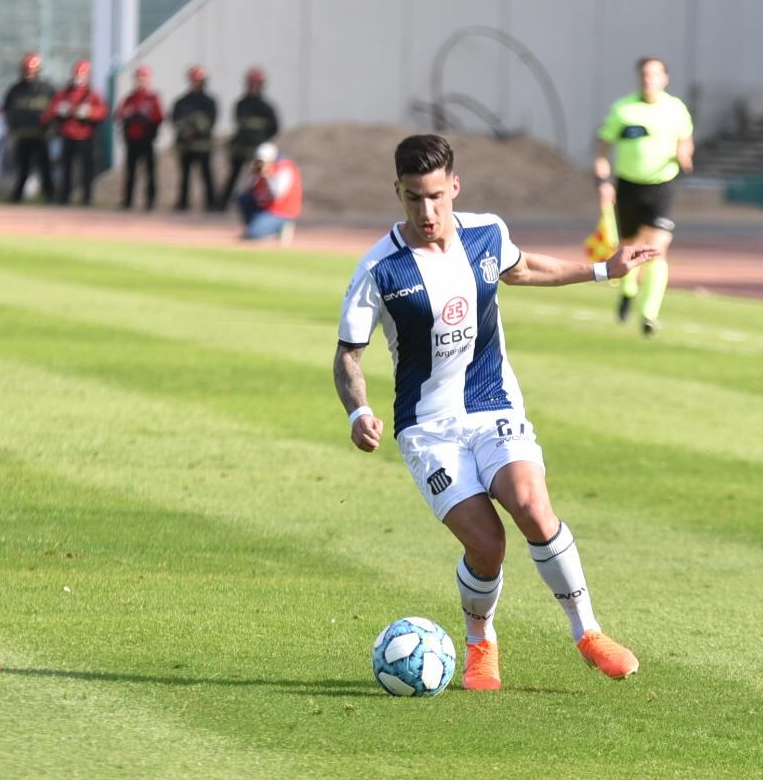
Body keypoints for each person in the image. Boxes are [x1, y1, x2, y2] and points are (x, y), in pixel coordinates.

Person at [334, 134, 653, 692]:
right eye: (413, 198)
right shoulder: (378, 271)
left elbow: (523, 267)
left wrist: (604, 271)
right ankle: (481, 641)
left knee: (530, 504)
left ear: (454, 186)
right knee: (487, 544)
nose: (427, 211)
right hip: (427, 428)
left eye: (436, 196)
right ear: (398, 192)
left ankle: (588, 632)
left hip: (493, 403)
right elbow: (347, 355)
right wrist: (358, 412)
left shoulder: (486, 232)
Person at [595, 56, 694, 336]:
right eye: (645, 75)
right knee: (630, 247)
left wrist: (684, 154)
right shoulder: (623, 110)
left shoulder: (676, 109)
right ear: (639, 78)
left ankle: (649, 313)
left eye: (655, 75)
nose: (649, 80)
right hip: (628, 186)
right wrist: (603, 181)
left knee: (658, 249)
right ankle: (627, 291)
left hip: (662, 186)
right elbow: (602, 151)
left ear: (665, 78)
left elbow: (686, 141)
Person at [41, 59, 108, 206]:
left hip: (86, 137)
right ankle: (64, 196)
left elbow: (103, 112)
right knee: (66, 169)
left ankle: (87, 198)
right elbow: (49, 113)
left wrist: (90, 113)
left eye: (82, 75)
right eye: (77, 74)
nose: (79, 78)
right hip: (67, 136)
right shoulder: (64, 93)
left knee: (86, 169)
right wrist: (59, 110)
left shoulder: (93, 95)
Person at [219, 67, 279, 210]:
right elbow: (239, 123)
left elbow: (274, 127)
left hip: (257, 149)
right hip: (241, 146)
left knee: (260, 178)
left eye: (256, 84)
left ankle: (259, 204)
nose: (253, 87)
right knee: (233, 175)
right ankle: (221, 204)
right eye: (251, 84)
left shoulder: (266, 107)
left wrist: (262, 141)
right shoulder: (241, 104)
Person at [1, 52, 57, 203]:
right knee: (22, 168)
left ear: (38, 70)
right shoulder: (15, 90)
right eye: (27, 70)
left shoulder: (47, 89)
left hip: (41, 135)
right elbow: (7, 110)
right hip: (22, 136)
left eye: (32, 71)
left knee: (45, 168)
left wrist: (52, 128)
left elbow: (55, 110)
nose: (29, 74)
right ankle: (17, 196)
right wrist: (11, 128)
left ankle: (49, 195)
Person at [115, 64, 164, 210]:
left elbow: (159, 116)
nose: (141, 81)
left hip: (147, 139)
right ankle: (128, 200)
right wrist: (129, 116)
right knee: (130, 171)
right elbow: (119, 114)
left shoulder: (152, 98)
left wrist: (146, 118)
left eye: (143, 78)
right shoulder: (130, 98)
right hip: (132, 139)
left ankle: (151, 200)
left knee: (150, 171)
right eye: (138, 78)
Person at [170, 65, 218, 212]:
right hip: (185, 146)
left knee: (206, 175)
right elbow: (175, 119)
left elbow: (210, 121)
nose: (197, 83)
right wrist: (184, 131)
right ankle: (183, 203)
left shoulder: (209, 102)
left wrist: (194, 130)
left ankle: (211, 204)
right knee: (184, 177)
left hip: (203, 146)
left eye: (199, 80)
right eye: (195, 80)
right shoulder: (182, 101)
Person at [236, 142, 301, 244]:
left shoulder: (284, 168)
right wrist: (253, 175)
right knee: (243, 198)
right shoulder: (259, 168)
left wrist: (267, 175)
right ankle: (257, 226)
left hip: (280, 212)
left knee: (253, 234)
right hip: (263, 208)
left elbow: (277, 195)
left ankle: (281, 228)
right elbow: (247, 190)